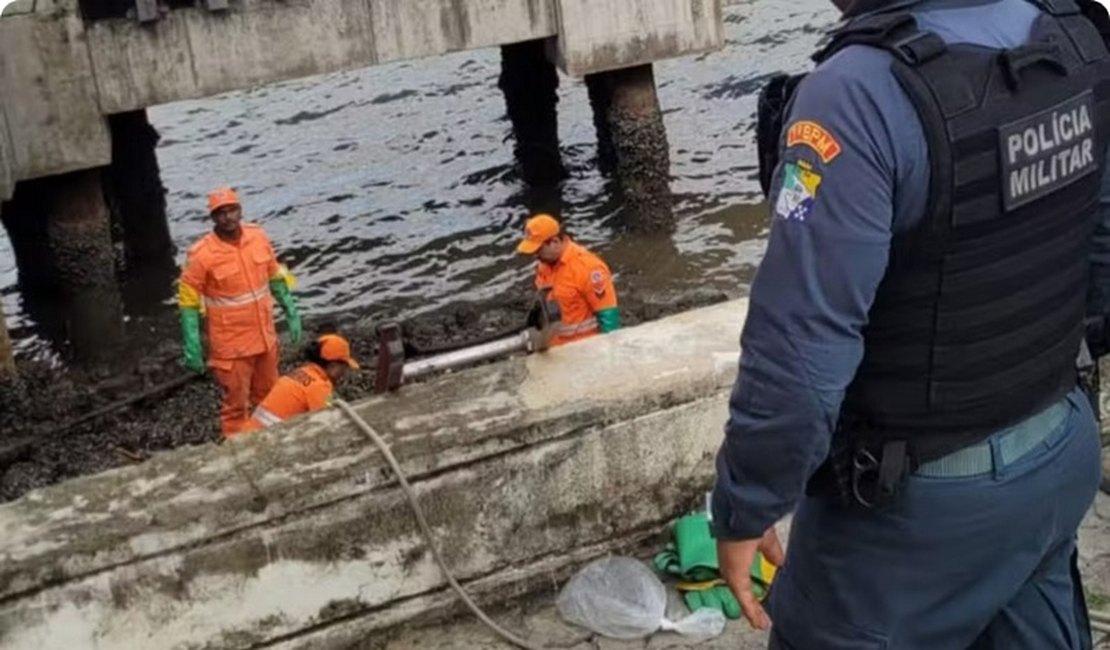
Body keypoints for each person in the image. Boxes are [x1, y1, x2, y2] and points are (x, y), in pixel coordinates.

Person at [712, 0, 1110, 648]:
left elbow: (799, 355)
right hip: (1056, 456)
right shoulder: (1073, 35)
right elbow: (1101, 254)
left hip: (906, 516)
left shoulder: (856, 93)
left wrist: (746, 503)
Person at [179, 187, 303, 435]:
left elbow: (274, 274)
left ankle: (270, 440)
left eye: (232, 210)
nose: (228, 217)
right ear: (213, 218)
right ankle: (237, 450)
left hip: (264, 338)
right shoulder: (202, 255)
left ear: (240, 210)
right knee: (236, 405)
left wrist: (290, 309)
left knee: (269, 396)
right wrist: (191, 343)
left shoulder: (258, 237)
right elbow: (188, 300)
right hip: (232, 347)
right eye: (221, 213)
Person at [516, 214, 620, 346]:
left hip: (583, 348)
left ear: (554, 242)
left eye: (538, 250)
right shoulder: (545, 264)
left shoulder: (589, 268)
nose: (535, 256)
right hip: (554, 345)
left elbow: (608, 318)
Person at [241, 334, 359, 433]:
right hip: (267, 440)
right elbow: (324, 423)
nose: (345, 372)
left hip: (248, 432)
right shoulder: (321, 386)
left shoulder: (300, 372)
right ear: (333, 365)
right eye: (344, 367)